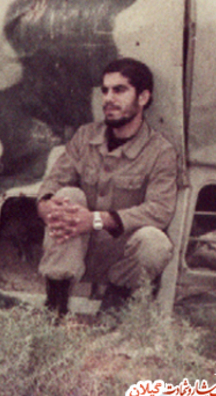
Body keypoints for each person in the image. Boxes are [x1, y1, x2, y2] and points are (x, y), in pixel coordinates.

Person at [36, 58, 178, 316]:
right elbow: (54, 181)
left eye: (119, 90)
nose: (108, 99)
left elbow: (160, 210)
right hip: (75, 249)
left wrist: (95, 220)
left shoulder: (161, 152)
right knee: (67, 195)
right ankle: (55, 309)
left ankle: (113, 309)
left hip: (120, 258)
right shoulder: (86, 136)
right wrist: (46, 206)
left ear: (143, 97)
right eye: (105, 90)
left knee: (155, 242)